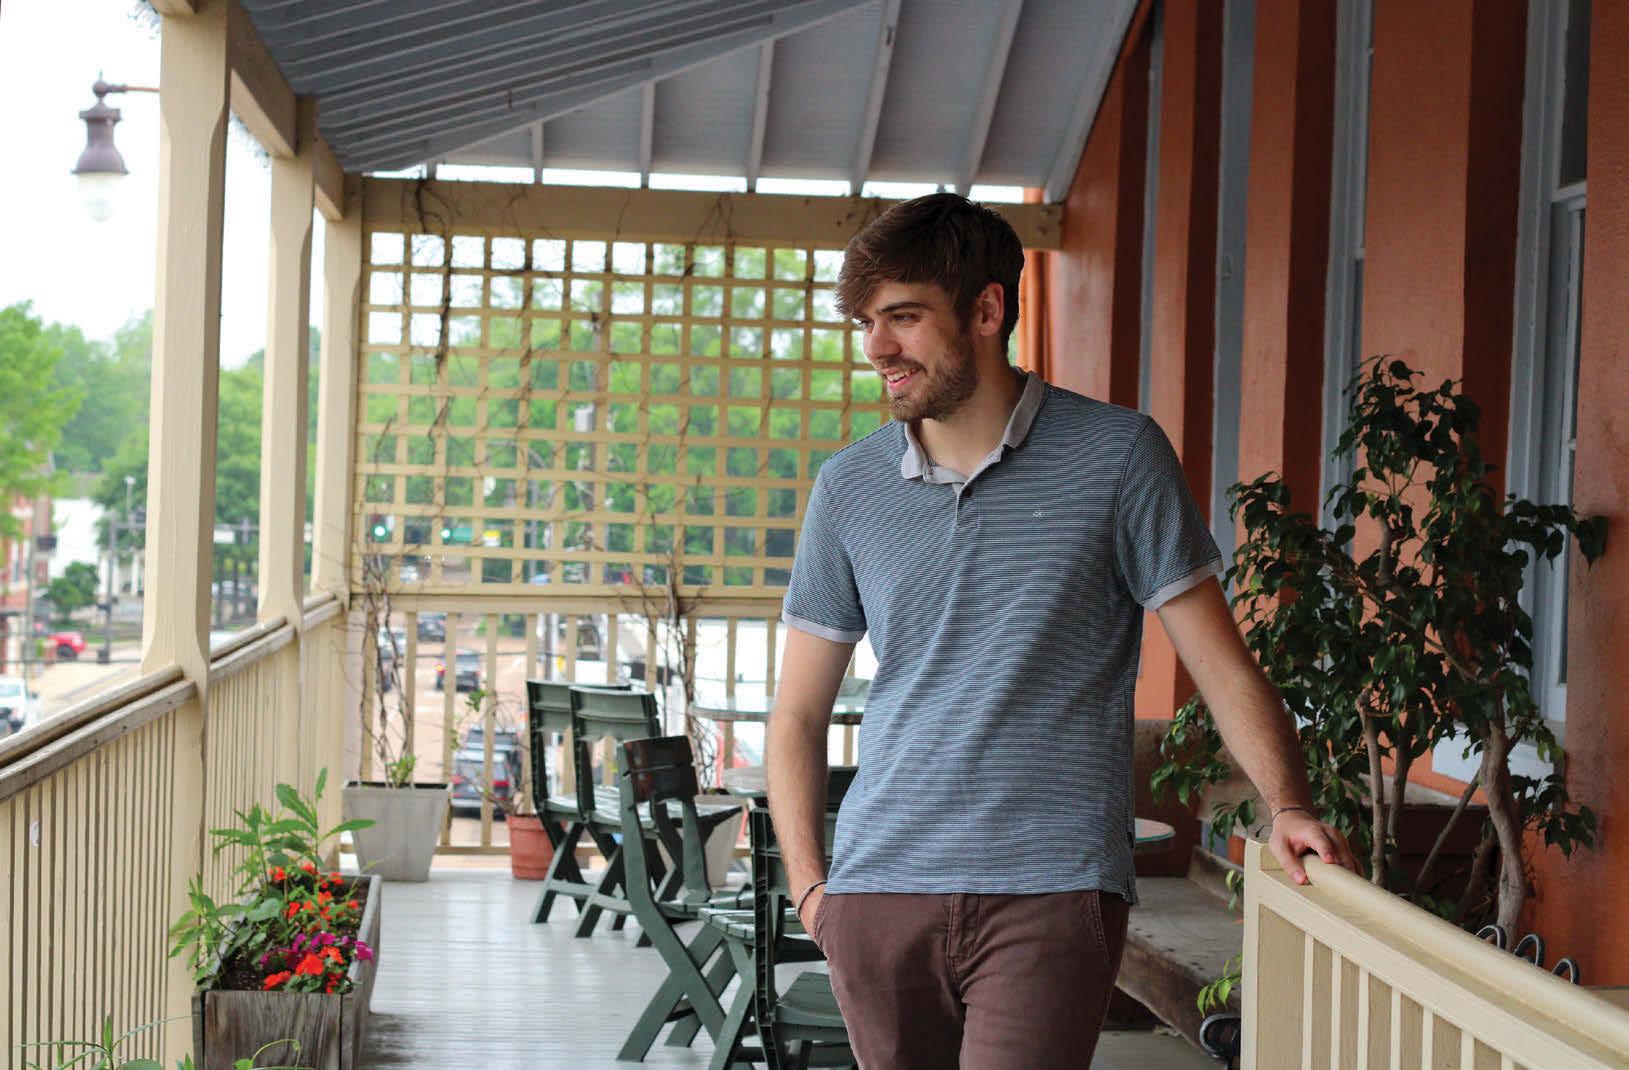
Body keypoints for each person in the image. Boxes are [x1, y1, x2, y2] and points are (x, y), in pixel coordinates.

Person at [765, 193, 1359, 1069]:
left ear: (986, 310)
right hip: (877, 891)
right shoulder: (849, 487)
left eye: (902, 317)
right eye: (866, 322)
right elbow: (796, 714)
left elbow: (1219, 664)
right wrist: (813, 890)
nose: (876, 347)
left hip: (1049, 889)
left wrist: (1289, 805)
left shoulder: (1117, 456)